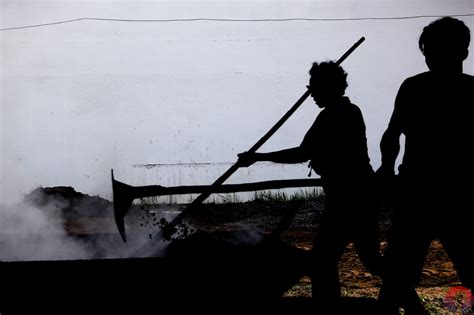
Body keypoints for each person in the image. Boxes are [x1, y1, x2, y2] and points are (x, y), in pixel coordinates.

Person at [237, 61, 381, 311]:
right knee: (356, 260)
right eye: (310, 87)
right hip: (356, 197)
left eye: (314, 88)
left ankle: (329, 306)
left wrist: (258, 157)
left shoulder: (336, 115)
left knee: (329, 260)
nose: (311, 93)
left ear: (329, 87)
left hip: (350, 200)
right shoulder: (343, 112)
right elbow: (308, 152)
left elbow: (303, 152)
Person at [377, 17, 474, 314]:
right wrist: (387, 168)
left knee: (396, 278)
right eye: (429, 53)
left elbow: (392, 134)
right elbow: (392, 135)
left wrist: (387, 170)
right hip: (455, 195)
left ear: (462, 53)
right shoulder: (470, 91)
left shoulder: (414, 87)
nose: (431, 59)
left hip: (420, 194)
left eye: (434, 52)